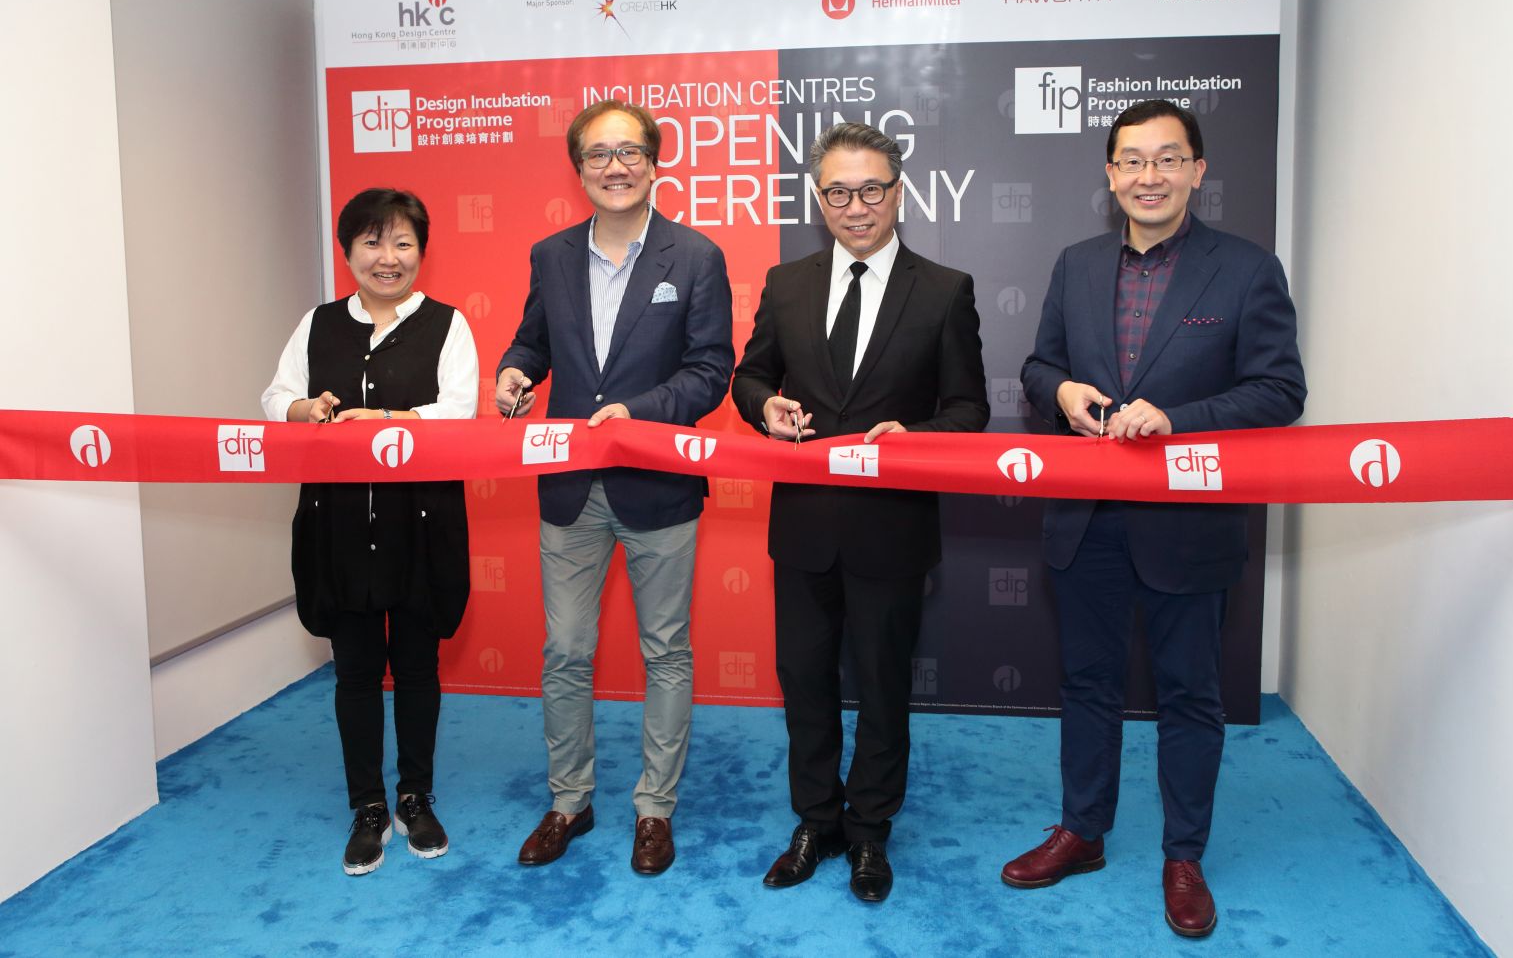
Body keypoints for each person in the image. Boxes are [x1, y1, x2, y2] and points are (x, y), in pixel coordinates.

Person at [1005, 99, 1306, 937]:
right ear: (1110, 175)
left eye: (1168, 159)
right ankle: (1082, 831)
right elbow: (1038, 366)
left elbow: (1281, 390)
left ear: (1197, 171)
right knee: (1086, 683)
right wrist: (1061, 391)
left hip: (1189, 523)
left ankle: (1184, 855)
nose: (1150, 176)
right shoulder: (1076, 264)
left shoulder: (1246, 269)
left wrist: (1181, 419)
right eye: (1133, 160)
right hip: (1087, 518)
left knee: (1190, 694)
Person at [731, 122, 989, 903]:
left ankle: (870, 828)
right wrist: (765, 407)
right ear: (819, 199)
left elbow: (969, 408)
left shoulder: (944, 289)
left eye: (871, 189)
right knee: (804, 682)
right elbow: (750, 376)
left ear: (898, 193)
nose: (855, 206)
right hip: (804, 526)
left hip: (891, 527)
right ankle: (817, 820)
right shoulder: (786, 283)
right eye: (838, 192)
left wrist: (917, 438)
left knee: (882, 686)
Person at [496, 100, 733, 876]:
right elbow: (533, 340)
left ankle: (655, 807)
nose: (615, 166)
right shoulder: (550, 255)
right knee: (565, 649)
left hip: (657, 484)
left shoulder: (695, 256)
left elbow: (711, 370)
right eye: (597, 154)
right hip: (570, 487)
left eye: (629, 151)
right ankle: (570, 799)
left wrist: (640, 414)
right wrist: (515, 372)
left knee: (666, 649)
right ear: (579, 170)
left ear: (654, 162)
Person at [262, 187, 479, 875]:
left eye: (403, 243)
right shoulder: (318, 323)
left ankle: (415, 795)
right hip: (340, 526)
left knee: (417, 667)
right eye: (373, 242)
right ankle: (368, 806)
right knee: (354, 672)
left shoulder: (448, 324)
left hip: (421, 524)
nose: (389, 257)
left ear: (422, 252)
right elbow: (274, 397)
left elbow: (460, 411)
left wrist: (386, 420)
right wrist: (305, 409)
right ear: (349, 251)